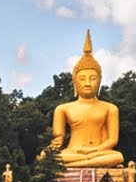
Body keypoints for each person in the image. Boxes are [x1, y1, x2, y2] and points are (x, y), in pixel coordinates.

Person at [49, 30, 125, 168]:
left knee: (117, 156)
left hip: (99, 152)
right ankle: (89, 163)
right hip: (73, 152)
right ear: (75, 82)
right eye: (82, 79)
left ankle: (83, 163)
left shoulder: (110, 108)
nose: (88, 83)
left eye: (93, 78)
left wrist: (93, 151)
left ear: (100, 82)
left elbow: (113, 140)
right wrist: (47, 154)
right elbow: (57, 141)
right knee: (51, 158)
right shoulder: (63, 109)